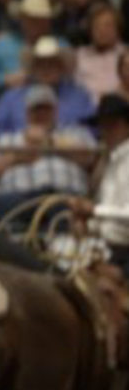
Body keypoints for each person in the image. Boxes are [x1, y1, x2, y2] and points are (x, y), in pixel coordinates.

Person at [0, 84, 97, 221]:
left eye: (46, 109)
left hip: (65, 196)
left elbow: (90, 157)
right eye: (36, 109)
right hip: (17, 199)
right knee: (5, 206)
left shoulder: (76, 133)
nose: (41, 114)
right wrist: (14, 158)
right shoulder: (7, 139)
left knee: (73, 208)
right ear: (27, 112)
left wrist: (49, 141)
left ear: (55, 111)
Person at [0, 36, 94, 139]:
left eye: (52, 63)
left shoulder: (80, 97)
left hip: (69, 151)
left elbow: (93, 132)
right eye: (41, 63)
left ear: (62, 67)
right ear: (33, 68)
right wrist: (22, 138)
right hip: (21, 150)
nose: (46, 69)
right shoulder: (11, 98)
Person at [72, 94, 129, 279]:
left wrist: (93, 211)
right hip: (111, 248)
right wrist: (88, 226)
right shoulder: (111, 161)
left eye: (113, 125)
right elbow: (111, 221)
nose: (106, 131)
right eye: (103, 125)